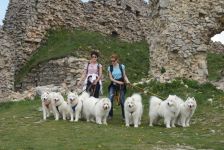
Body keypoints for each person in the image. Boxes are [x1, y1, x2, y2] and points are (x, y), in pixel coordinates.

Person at [107, 54, 130, 120]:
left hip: (121, 84)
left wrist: (127, 81)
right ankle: (110, 115)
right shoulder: (110, 68)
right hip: (113, 84)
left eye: (114, 61)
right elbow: (111, 78)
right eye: (111, 61)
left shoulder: (121, 66)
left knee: (122, 100)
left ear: (117, 60)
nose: (112, 62)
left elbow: (124, 75)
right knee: (110, 98)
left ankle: (124, 116)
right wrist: (118, 82)